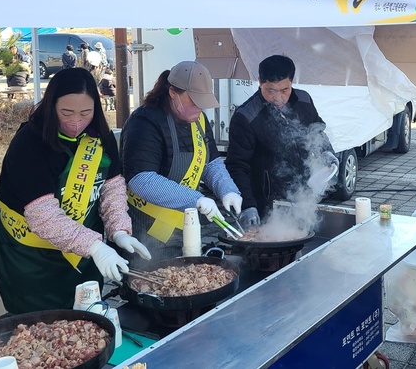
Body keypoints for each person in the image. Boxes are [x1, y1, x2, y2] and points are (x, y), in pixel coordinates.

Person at [0, 68, 150, 314]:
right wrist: (96, 247)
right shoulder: (30, 143)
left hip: (84, 258)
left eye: (85, 113)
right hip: (34, 262)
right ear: (50, 105)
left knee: (89, 325)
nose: (76, 121)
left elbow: (112, 186)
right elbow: (42, 215)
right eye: (66, 112)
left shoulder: (100, 136)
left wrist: (119, 230)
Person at [120, 61, 242, 259]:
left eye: (202, 102)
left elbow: (211, 162)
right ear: (172, 93)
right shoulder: (145, 122)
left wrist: (228, 190)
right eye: (193, 101)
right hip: (145, 229)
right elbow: (141, 180)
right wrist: (197, 199)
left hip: (184, 224)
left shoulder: (198, 119)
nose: (199, 108)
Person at [226, 55, 337, 226]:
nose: (278, 97)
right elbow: (237, 166)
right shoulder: (246, 116)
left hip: (303, 193)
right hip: (267, 202)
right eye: (270, 90)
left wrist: (327, 152)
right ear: (260, 82)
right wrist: (248, 205)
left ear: (292, 82)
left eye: (284, 90)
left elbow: (317, 131)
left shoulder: (304, 101)